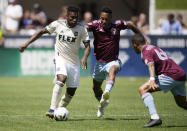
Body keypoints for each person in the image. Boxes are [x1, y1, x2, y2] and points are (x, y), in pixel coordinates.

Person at [19, 6, 90, 119]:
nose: (74, 20)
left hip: (74, 62)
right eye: (72, 17)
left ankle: (59, 110)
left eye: (76, 17)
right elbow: (41, 32)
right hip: (60, 57)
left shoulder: (82, 29)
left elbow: (87, 46)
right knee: (62, 78)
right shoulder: (57, 24)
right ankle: (52, 109)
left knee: (71, 91)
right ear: (66, 16)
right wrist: (26, 44)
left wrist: (85, 57)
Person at [86, 7, 142, 117]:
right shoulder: (95, 25)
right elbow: (82, 28)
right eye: (102, 19)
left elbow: (131, 25)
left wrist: (142, 37)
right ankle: (102, 105)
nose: (103, 21)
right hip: (100, 63)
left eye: (106, 19)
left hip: (113, 60)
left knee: (113, 70)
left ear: (110, 18)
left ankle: (107, 91)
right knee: (96, 88)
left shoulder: (117, 25)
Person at [131, 34, 187, 127]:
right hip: (180, 74)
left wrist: (152, 79)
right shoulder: (152, 47)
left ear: (134, 45)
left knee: (143, 89)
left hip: (169, 75)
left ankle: (155, 118)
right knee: (182, 103)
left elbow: (151, 64)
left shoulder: (145, 51)